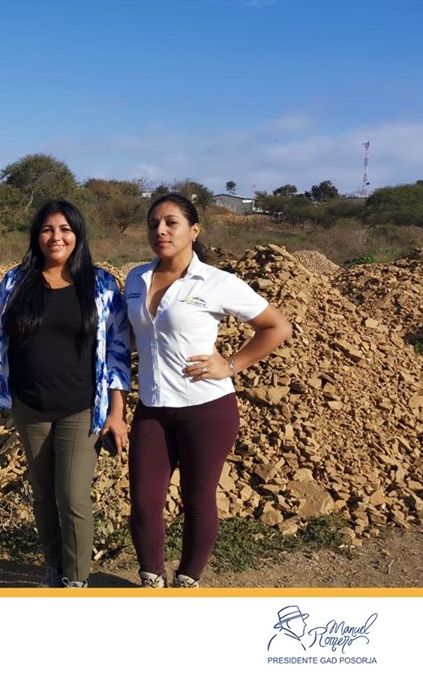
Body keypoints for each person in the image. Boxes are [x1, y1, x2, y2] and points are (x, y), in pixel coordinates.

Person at [124, 193, 292, 588]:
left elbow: (277, 326)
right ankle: (152, 579)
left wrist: (231, 364)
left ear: (194, 230)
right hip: (152, 407)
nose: (160, 230)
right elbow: (133, 335)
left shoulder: (217, 282)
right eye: (153, 223)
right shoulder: (136, 278)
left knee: (197, 500)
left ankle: (188, 580)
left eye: (171, 223)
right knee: (144, 503)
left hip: (206, 408)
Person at [0, 199, 131, 588]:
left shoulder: (102, 284)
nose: (56, 237)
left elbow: (118, 351)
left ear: (78, 235)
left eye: (65, 230)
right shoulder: (16, 281)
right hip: (30, 406)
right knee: (43, 494)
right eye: (47, 229)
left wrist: (117, 412)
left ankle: (76, 581)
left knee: (72, 498)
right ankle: (54, 569)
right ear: (36, 236)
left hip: (81, 408)